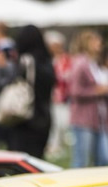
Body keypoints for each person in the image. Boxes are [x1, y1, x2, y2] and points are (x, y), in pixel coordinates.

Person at [5, 25, 56, 158]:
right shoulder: (47, 62)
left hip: (25, 117)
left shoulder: (26, 61)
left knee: (20, 159)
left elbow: (13, 82)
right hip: (44, 117)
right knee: (37, 159)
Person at [68, 29, 108, 167]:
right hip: (84, 119)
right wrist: (97, 91)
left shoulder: (95, 63)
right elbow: (74, 90)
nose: (100, 44)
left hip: (99, 118)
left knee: (104, 157)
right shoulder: (80, 63)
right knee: (81, 159)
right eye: (96, 41)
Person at [44, 30, 72, 160]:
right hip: (51, 97)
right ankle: (52, 147)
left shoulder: (66, 59)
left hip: (64, 97)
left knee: (63, 123)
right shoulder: (47, 59)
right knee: (54, 124)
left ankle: (59, 146)